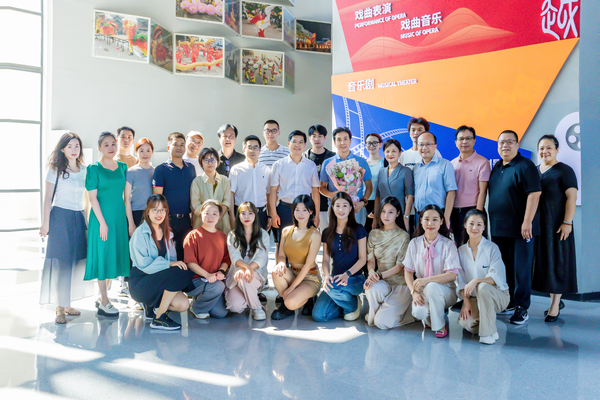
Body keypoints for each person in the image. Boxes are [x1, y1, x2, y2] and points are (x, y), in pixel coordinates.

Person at [488, 130, 541, 325]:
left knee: (522, 269)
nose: (505, 145)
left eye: (510, 142)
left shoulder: (526, 165)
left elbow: (534, 194)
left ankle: (522, 307)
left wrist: (527, 221)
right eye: (501, 142)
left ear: (517, 145)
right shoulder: (497, 167)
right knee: (505, 268)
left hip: (522, 229)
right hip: (500, 229)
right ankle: (509, 301)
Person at [39, 132, 92, 324]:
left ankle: (67, 304)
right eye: (69, 146)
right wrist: (45, 223)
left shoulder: (85, 170)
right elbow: (47, 198)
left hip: (79, 217)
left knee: (75, 262)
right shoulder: (55, 169)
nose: (74, 149)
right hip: (60, 217)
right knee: (62, 263)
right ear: (62, 149)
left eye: (77, 146)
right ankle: (59, 308)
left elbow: (90, 198)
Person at [129, 194, 194, 330]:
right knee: (179, 271)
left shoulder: (167, 233)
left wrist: (172, 265)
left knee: (183, 304)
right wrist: (168, 264)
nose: (159, 214)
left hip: (159, 281)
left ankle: (152, 306)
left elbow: (173, 260)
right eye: (155, 210)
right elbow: (143, 264)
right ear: (148, 212)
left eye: (162, 210)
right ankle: (159, 318)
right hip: (141, 283)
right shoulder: (140, 233)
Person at [84, 132, 130, 317]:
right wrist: (102, 223)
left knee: (113, 256)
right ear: (99, 148)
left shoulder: (123, 167)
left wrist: (129, 221)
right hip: (101, 218)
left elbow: (126, 197)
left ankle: (103, 296)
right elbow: (92, 199)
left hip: (118, 218)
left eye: (113, 144)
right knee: (103, 255)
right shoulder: (93, 168)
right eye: (106, 145)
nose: (111, 148)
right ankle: (104, 300)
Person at [533, 134, 578, 322]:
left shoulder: (565, 171)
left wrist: (567, 222)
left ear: (557, 149)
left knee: (557, 263)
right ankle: (555, 301)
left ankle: (554, 305)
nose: (545, 151)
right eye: (541, 148)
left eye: (549, 147)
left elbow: (571, 198)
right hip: (539, 227)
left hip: (558, 226)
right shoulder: (535, 171)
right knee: (546, 264)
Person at [403, 204, 461, 338]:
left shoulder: (448, 244)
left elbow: (452, 275)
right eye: (427, 219)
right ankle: (432, 318)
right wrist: (413, 292)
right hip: (421, 290)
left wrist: (427, 280)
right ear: (421, 220)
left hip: (446, 291)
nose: (430, 223)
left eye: (435, 219)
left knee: (432, 287)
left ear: (441, 221)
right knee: (419, 313)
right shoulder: (414, 243)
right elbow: (408, 272)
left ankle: (440, 325)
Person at [457, 209, 510, 344]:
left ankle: (488, 334)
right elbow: (460, 281)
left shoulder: (492, 248)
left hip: (498, 295)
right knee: (467, 324)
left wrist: (476, 281)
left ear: (484, 227)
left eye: (479, 224)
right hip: (474, 298)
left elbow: (496, 277)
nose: (475, 228)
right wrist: (466, 302)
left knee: (482, 287)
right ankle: (488, 321)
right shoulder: (460, 251)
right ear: (465, 225)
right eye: (471, 223)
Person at [312, 192, 367, 322]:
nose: (341, 209)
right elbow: (325, 260)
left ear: (350, 208)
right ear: (332, 207)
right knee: (319, 315)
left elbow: (362, 259)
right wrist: (327, 276)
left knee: (334, 289)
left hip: (355, 279)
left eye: (345, 205)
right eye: (337, 205)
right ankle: (346, 303)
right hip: (335, 280)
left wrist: (347, 274)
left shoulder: (359, 229)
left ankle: (352, 305)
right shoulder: (327, 232)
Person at [364, 196, 413, 329]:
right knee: (370, 287)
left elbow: (400, 266)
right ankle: (382, 312)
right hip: (382, 283)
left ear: (398, 213)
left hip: (400, 285)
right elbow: (371, 260)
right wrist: (371, 273)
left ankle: (407, 313)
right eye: (383, 211)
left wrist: (379, 276)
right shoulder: (373, 234)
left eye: (391, 212)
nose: (386, 216)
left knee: (381, 323)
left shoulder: (404, 236)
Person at [271, 195, 322, 320]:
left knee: (290, 302)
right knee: (276, 271)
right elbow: (281, 255)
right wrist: (281, 263)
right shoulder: (286, 231)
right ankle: (286, 305)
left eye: (304, 210)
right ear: (293, 212)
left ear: (311, 212)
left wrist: (291, 288)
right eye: (297, 210)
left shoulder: (314, 234)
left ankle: (305, 298)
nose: (300, 213)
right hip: (292, 273)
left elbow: (308, 265)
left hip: (309, 277)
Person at [269, 130, 321, 243]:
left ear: (305, 145)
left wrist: (316, 215)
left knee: (304, 243)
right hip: (285, 209)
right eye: (294, 141)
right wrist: (274, 213)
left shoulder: (311, 165)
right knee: (283, 243)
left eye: (301, 142)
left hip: (305, 211)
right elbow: (273, 190)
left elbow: (315, 191)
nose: (297, 145)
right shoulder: (278, 165)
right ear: (288, 143)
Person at [153, 132, 197, 261]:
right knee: (167, 255)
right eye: (175, 144)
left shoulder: (191, 168)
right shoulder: (161, 169)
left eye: (182, 144)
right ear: (168, 148)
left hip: (186, 220)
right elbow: (157, 197)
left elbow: (193, 194)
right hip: (168, 219)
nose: (179, 147)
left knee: (184, 254)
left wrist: (193, 217)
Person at [184, 200, 231, 319]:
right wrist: (207, 275)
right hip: (195, 281)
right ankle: (196, 307)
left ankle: (203, 300)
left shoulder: (223, 237)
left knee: (220, 313)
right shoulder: (193, 235)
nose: (210, 217)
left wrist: (221, 271)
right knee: (218, 287)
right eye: (207, 213)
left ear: (219, 216)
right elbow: (190, 262)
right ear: (201, 214)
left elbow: (226, 259)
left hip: (214, 280)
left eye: (214, 214)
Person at [225, 202, 270, 321]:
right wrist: (245, 268)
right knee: (235, 307)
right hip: (237, 273)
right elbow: (234, 256)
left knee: (245, 278)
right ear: (238, 216)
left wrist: (248, 269)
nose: (247, 216)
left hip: (256, 272)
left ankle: (257, 307)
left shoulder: (263, 234)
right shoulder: (232, 235)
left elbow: (261, 258)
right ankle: (252, 297)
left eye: (250, 213)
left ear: (255, 215)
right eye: (243, 213)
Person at [320, 127, 372, 225]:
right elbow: (322, 188)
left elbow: (369, 186)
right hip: (335, 209)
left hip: (356, 208)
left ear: (350, 141)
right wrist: (332, 194)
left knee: (357, 234)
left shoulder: (361, 161)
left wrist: (363, 202)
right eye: (339, 140)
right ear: (334, 143)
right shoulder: (328, 163)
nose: (342, 143)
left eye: (345, 139)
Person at [450, 126, 491, 246]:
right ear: (456, 142)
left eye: (468, 138)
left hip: (473, 210)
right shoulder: (452, 164)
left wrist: (477, 215)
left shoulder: (482, 162)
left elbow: (482, 192)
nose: (464, 141)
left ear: (474, 141)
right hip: (455, 213)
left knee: (477, 247)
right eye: (461, 139)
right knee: (459, 246)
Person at [413, 132, 457, 229]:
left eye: (428, 144)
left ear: (435, 146)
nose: (424, 148)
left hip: (438, 217)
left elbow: (451, 192)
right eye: (421, 144)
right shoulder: (416, 168)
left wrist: (446, 217)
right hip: (419, 217)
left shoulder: (445, 165)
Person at [229, 135, 271, 231]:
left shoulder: (266, 169)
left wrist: (270, 215)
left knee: (262, 240)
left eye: (255, 148)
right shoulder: (236, 169)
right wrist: (232, 216)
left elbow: (268, 194)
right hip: (242, 214)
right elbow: (231, 194)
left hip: (261, 214)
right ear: (244, 150)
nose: (252, 150)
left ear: (260, 150)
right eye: (249, 147)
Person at [373, 139, 414, 232]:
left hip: (399, 215)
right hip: (383, 216)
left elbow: (410, 196)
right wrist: (375, 217)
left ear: (399, 153)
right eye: (387, 151)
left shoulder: (406, 171)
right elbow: (377, 196)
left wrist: (406, 217)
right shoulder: (381, 172)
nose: (390, 154)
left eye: (394, 151)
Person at [190, 147, 232, 234]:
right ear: (201, 163)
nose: (210, 162)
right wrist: (209, 220)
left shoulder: (225, 180)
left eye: (213, 159)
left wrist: (217, 219)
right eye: (206, 160)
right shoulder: (197, 181)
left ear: (218, 162)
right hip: (202, 223)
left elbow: (227, 202)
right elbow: (195, 205)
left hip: (222, 223)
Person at [304, 125, 336, 231]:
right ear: (309, 138)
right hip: (308, 206)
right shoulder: (303, 157)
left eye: (320, 136)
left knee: (328, 235)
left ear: (325, 138)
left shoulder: (333, 157)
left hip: (329, 204)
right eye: (314, 136)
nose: (317, 139)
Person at [125, 138, 155, 235]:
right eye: (141, 151)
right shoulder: (131, 171)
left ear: (152, 152)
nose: (145, 154)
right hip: (135, 214)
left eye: (148, 150)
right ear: (136, 152)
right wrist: (131, 223)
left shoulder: (155, 171)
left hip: (152, 214)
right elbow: (127, 199)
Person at [364, 133, 385, 233]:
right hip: (363, 204)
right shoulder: (361, 163)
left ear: (380, 144)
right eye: (369, 143)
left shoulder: (385, 163)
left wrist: (376, 210)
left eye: (375, 143)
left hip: (379, 203)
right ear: (365, 145)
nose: (371, 146)